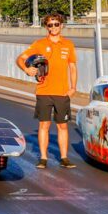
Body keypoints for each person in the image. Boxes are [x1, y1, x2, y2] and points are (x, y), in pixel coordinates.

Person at [17, 13, 78, 169]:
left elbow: (72, 67)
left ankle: (64, 158)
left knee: (62, 126)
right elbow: (20, 58)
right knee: (44, 125)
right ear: (46, 27)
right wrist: (26, 69)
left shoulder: (68, 44)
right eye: (50, 25)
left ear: (61, 25)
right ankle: (43, 158)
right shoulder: (39, 44)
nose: (53, 28)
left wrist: (73, 88)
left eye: (56, 24)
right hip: (44, 91)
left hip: (62, 93)